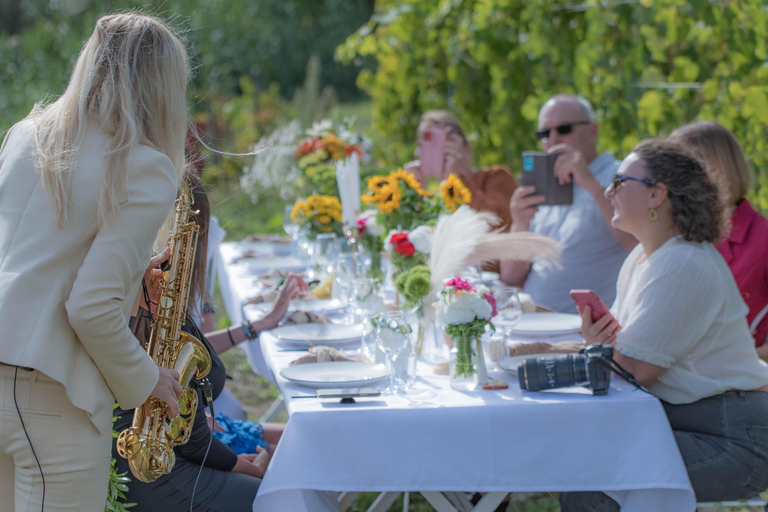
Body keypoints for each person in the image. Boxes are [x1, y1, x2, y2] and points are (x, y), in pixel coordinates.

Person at [0, 13, 189, 511]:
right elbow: (88, 306)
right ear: (164, 86)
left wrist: (132, 272)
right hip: (52, 394)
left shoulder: (25, 135)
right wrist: (149, 378)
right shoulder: (145, 165)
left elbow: (37, 254)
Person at [560, 140, 768, 510]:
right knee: (583, 459)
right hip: (695, 420)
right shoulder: (644, 257)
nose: (608, 190)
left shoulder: (684, 263)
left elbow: (636, 370)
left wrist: (599, 348)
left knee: (591, 473)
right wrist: (600, 344)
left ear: (657, 194)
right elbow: (621, 359)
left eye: (620, 181)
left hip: (737, 437)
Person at [500, 95, 636, 313]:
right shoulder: (544, 185)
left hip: (585, 330)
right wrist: (519, 225)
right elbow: (511, 277)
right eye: (544, 134)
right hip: (535, 322)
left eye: (564, 129)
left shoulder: (621, 175)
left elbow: (638, 242)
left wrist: (592, 185)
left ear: (593, 131)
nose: (553, 139)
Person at [669, 121, 768, 359]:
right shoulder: (676, 232)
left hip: (740, 387)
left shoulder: (763, 240)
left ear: (712, 171)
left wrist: (737, 361)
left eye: (676, 170)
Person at [406, 110, 517, 233]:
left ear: (467, 148)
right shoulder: (427, 193)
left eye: (445, 142)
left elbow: (497, 224)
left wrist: (456, 180)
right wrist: (410, 195)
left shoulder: (497, 177)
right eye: (425, 145)